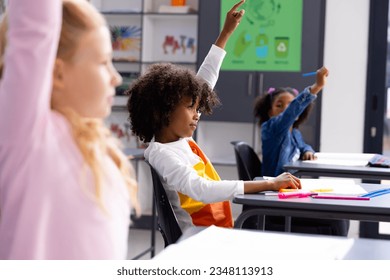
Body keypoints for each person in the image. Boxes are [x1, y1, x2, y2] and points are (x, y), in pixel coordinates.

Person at [126, 0, 301, 232]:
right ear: (163, 111)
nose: (197, 114)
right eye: (191, 107)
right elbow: (201, 188)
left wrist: (226, 33)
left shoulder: (180, 141)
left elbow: (206, 81)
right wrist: (268, 184)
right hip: (200, 240)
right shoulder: (160, 152)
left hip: (215, 232)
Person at [0, 0, 139, 259]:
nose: (116, 78)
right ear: (57, 73)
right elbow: (35, 21)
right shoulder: (27, 138)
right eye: (103, 62)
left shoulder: (96, 145)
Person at [253, 68, 349, 236]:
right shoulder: (271, 129)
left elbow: (303, 146)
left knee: (342, 213)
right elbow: (289, 114)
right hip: (276, 196)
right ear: (270, 112)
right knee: (338, 217)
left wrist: (308, 151)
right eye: (279, 105)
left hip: (291, 191)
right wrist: (317, 87)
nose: (285, 109)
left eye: (290, 105)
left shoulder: (294, 132)